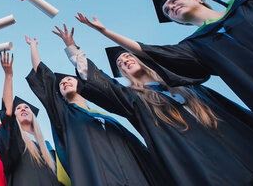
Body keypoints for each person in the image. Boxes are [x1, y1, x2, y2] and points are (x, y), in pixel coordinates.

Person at [53, 24, 253, 185]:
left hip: (248, 151)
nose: (125, 60)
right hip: (203, 166)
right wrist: (73, 49)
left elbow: (240, 115)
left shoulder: (190, 87)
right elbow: (100, 84)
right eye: (120, 63)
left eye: (129, 55)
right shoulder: (134, 100)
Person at [77, 0, 253, 151]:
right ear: (178, 22)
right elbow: (150, 52)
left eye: (173, 2)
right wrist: (106, 32)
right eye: (167, 11)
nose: (170, 7)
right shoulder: (196, 47)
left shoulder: (252, 4)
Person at [24, 35, 160, 186]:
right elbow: (43, 78)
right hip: (96, 178)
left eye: (70, 79)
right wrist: (33, 46)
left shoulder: (105, 117)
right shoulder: (64, 114)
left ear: (81, 87)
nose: (66, 81)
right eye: (61, 83)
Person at [0, 51, 59, 186]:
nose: (23, 109)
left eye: (26, 107)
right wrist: (8, 76)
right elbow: (7, 115)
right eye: (18, 108)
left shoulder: (47, 149)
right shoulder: (16, 140)